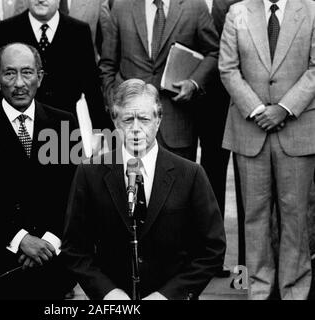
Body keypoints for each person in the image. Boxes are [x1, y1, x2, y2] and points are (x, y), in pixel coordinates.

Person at [61, 79, 226, 300]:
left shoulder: (191, 174)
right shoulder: (89, 174)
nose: (136, 129)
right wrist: (108, 293)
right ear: (116, 122)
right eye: (128, 119)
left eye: (145, 119)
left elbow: (211, 250)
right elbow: (74, 248)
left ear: (158, 121)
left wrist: (168, 295)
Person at [0, 43, 77, 299]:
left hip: (50, 262)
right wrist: (21, 239)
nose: (19, 83)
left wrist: (49, 243)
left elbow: (73, 192)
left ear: (40, 78)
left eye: (27, 73)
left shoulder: (63, 123)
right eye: (10, 74)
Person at [219, 0, 315, 299]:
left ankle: (294, 291)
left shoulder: (312, 10)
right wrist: (257, 109)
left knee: (295, 215)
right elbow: (227, 68)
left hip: (297, 128)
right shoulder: (238, 12)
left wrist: (284, 109)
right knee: (254, 216)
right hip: (251, 128)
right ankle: (257, 290)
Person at [99, 0, 220, 161]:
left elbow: (214, 52)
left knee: (176, 184)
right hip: (128, 126)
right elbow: (107, 64)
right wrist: (114, 105)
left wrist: (193, 83)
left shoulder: (195, 6)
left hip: (177, 124)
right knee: (129, 185)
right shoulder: (122, 6)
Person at [0, 0, 112, 129]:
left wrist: (102, 132)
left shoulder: (79, 31)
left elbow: (92, 88)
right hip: (19, 128)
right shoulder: (6, 30)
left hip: (65, 132)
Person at [194, 0, 243, 278]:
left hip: (231, 104)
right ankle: (201, 260)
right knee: (194, 185)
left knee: (246, 194)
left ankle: (241, 275)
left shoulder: (235, 3)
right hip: (182, 103)